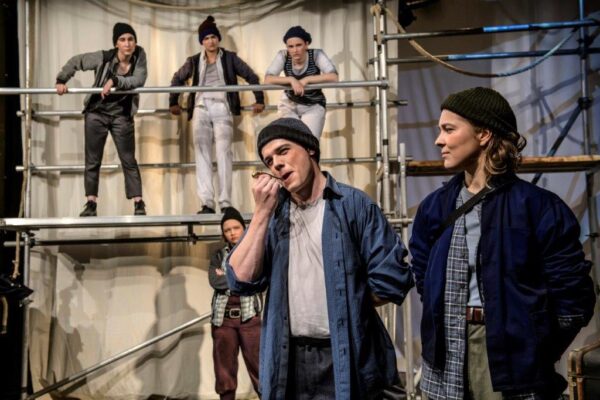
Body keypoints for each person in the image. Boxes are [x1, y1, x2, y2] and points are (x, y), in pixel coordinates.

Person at [409, 87, 596, 400]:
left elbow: (572, 296)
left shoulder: (537, 208)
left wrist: (535, 347)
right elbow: (423, 275)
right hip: (445, 353)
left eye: (449, 129)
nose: (439, 140)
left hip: (509, 355)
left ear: (483, 134)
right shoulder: (435, 207)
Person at [226, 118, 414, 399]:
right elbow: (239, 280)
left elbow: (391, 279)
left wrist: (348, 304)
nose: (276, 164)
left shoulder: (353, 204)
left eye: (283, 151)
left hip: (344, 353)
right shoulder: (273, 216)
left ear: (310, 149)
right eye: (269, 161)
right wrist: (262, 213)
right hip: (288, 358)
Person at [169, 16, 265, 214]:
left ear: (218, 39)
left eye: (213, 37)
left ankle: (225, 202)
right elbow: (177, 78)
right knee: (202, 153)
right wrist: (173, 102)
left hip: (222, 106)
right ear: (202, 42)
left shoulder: (230, 58)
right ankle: (207, 203)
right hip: (201, 107)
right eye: (206, 38)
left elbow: (251, 75)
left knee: (224, 153)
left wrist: (259, 99)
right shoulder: (194, 61)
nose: (210, 41)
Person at [56, 22, 147, 217]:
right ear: (116, 44)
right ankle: (91, 203)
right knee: (93, 159)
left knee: (128, 159)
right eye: (122, 40)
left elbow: (139, 79)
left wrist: (115, 80)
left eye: (131, 39)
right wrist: (62, 79)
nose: (127, 43)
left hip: (122, 115)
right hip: (97, 112)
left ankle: (138, 202)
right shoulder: (103, 57)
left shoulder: (139, 55)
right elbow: (76, 61)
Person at [209, 207, 262, 400]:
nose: (232, 233)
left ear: (244, 227)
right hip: (223, 320)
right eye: (227, 230)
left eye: (236, 228)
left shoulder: (255, 250)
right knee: (224, 372)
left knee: (260, 369)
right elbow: (215, 281)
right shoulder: (218, 255)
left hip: (250, 318)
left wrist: (227, 276)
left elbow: (257, 279)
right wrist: (240, 277)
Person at [264, 26, 338, 139]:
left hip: (313, 104)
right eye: (291, 46)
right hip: (289, 104)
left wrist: (306, 80)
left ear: (306, 44)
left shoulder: (316, 54)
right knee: (291, 141)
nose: (295, 50)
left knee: (310, 141)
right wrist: (291, 80)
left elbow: (333, 77)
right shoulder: (283, 55)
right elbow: (268, 79)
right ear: (287, 47)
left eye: (299, 45)